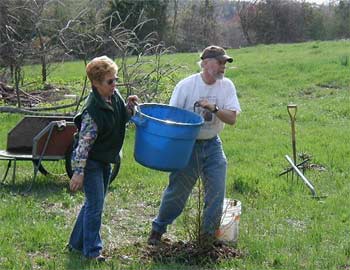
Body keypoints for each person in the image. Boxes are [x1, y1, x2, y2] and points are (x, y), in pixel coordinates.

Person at [148, 45, 241, 246]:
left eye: (225, 63)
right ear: (205, 63)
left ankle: (207, 239)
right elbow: (172, 119)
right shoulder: (186, 86)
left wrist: (214, 108)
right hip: (188, 146)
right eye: (220, 62)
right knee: (177, 193)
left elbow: (232, 118)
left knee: (216, 193)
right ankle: (158, 229)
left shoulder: (227, 86)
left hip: (213, 144)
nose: (223, 67)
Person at [68, 56, 138, 261]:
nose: (115, 84)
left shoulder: (113, 96)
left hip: (105, 159)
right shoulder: (92, 112)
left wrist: (130, 107)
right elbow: (83, 146)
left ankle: (75, 244)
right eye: (110, 81)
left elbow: (120, 119)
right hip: (90, 162)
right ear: (96, 84)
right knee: (95, 206)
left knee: (93, 203)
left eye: (116, 79)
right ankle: (92, 252)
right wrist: (78, 174)